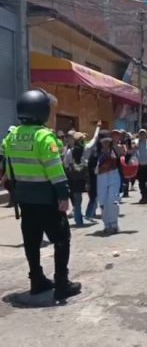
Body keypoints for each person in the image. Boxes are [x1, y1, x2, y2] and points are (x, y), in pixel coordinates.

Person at [3, 89, 81, 301]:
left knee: (31, 241)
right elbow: (55, 169)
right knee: (62, 239)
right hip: (48, 200)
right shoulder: (44, 137)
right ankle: (62, 284)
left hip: (25, 201)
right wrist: (63, 195)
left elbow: (8, 170)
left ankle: (36, 280)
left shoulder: (11, 136)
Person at [96, 132, 123, 235]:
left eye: (108, 141)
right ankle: (107, 224)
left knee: (112, 200)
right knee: (103, 201)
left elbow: (125, 155)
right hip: (101, 176)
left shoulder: (115, 149)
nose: (106, 143)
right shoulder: (96, 152)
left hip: (114, 175)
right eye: (104, 142)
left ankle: (114, 224)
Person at [134, 129, 147, 204]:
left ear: (146, 134)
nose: (142, 135)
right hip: (140, 165)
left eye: (143, 134)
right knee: (141, 182)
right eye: (140, 134)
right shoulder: (135, 142)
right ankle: (143, 196)